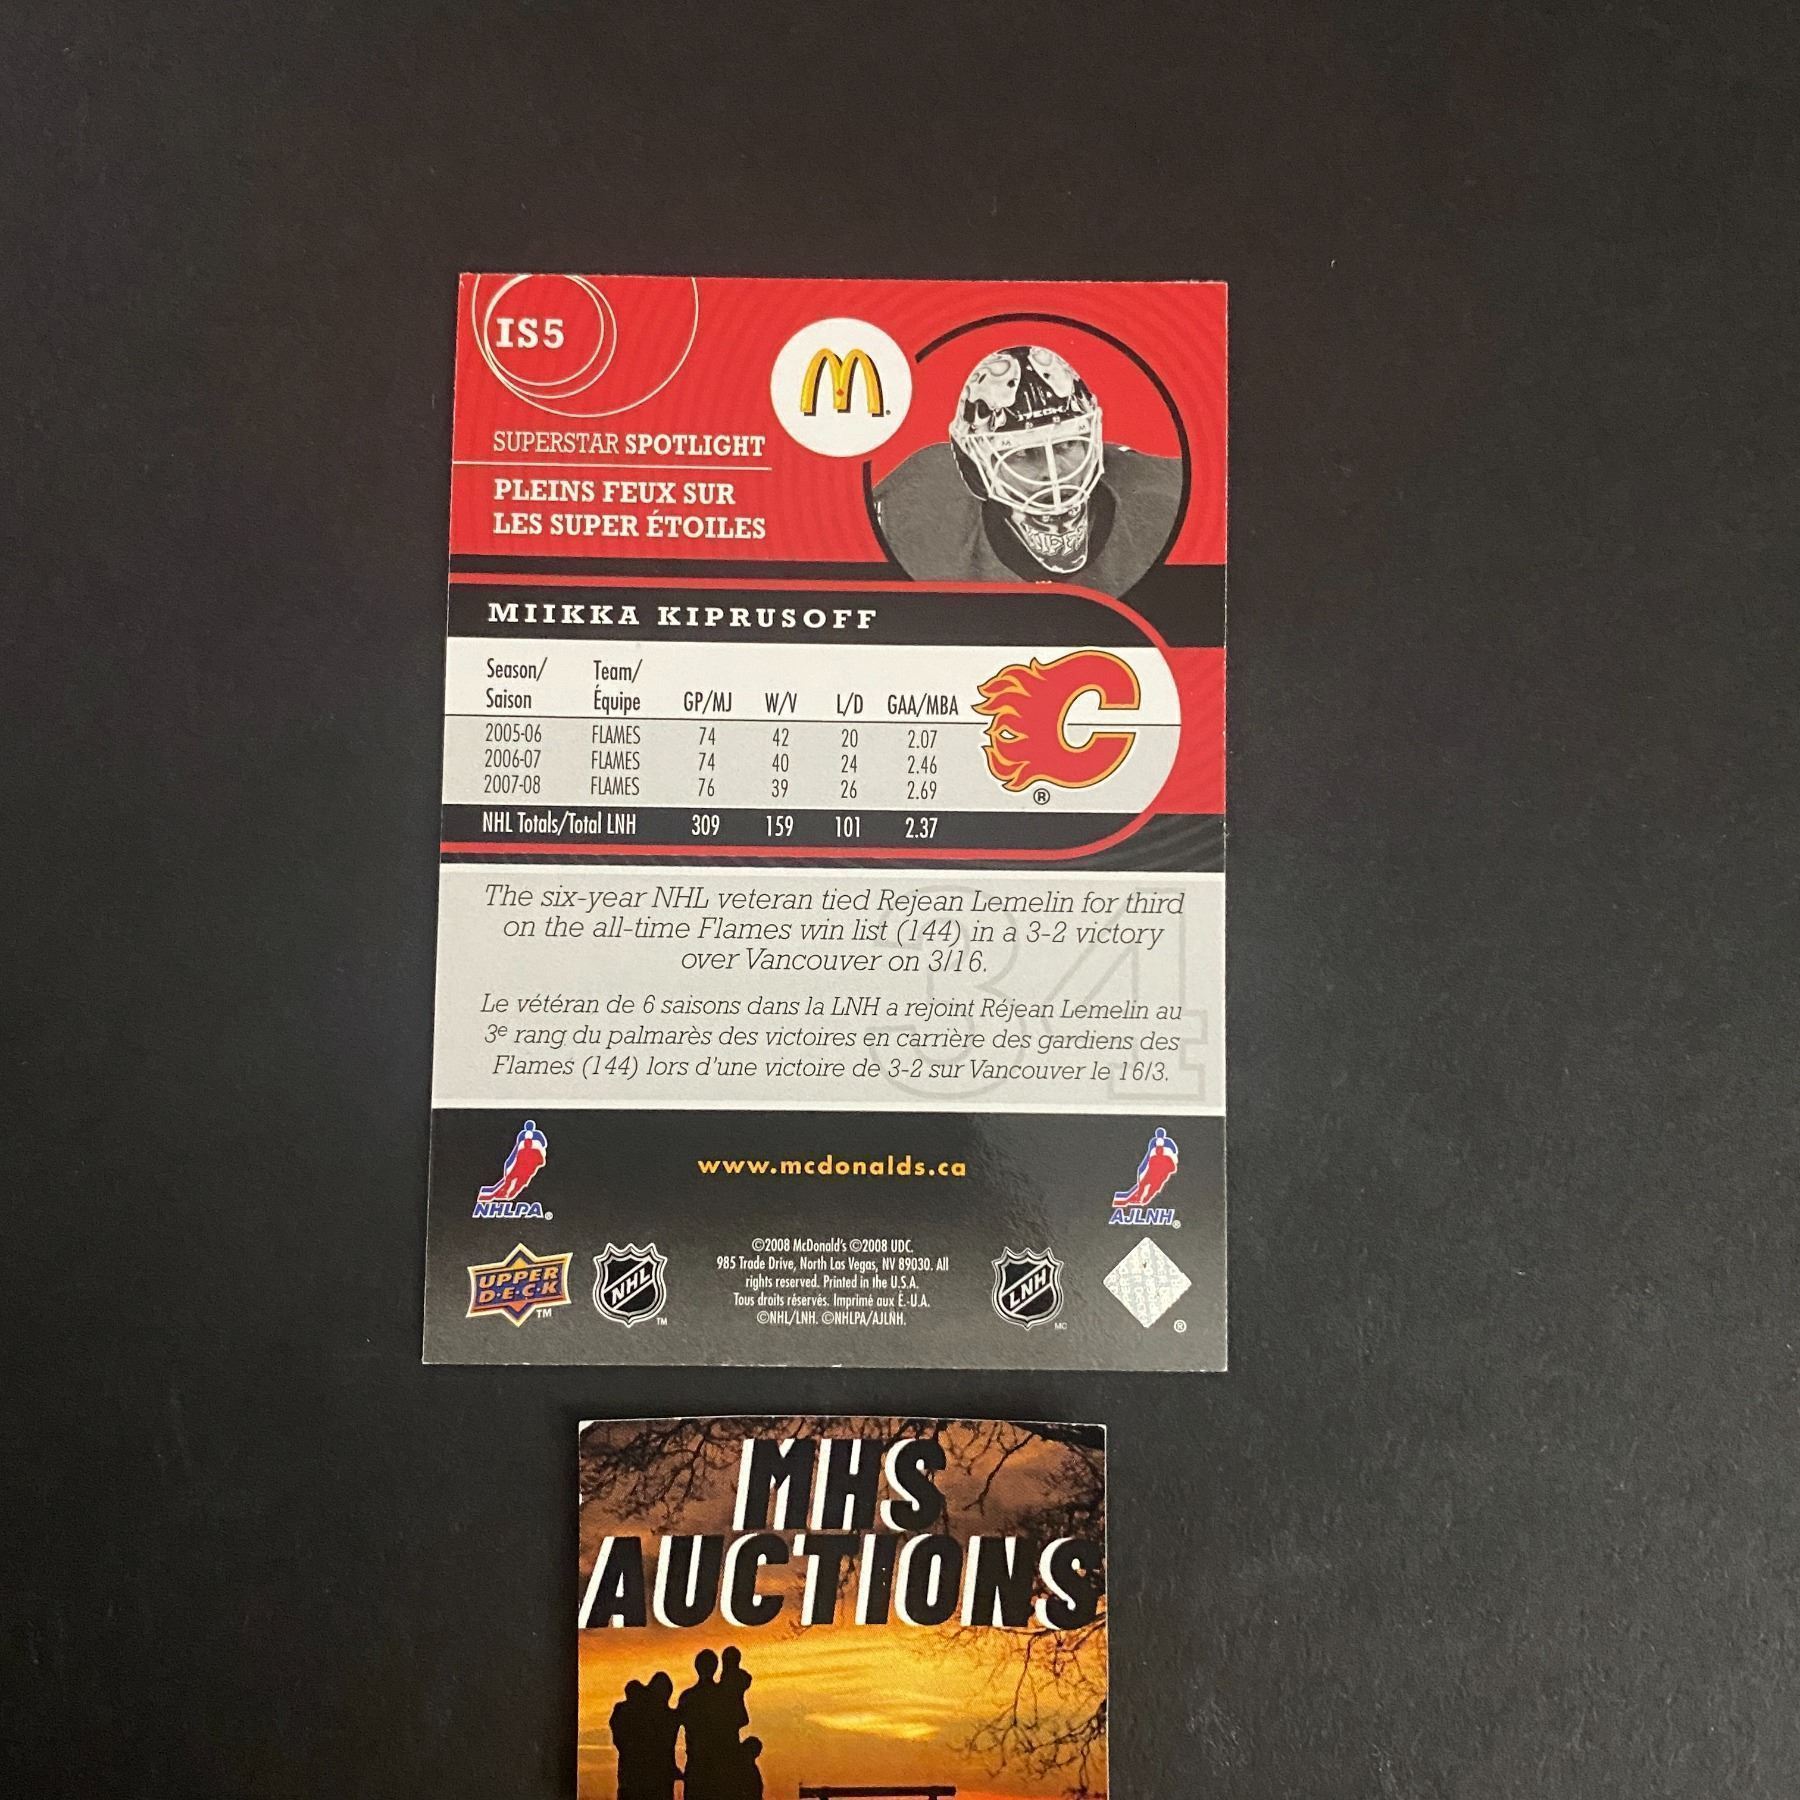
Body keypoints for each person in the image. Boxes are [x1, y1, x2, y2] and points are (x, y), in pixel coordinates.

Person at [873, 344, 1181, 596]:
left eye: (1066, 445)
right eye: (1021, 453)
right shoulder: (913, 510)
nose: (1053, 472)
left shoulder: (1166, 500)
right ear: (975, 463)